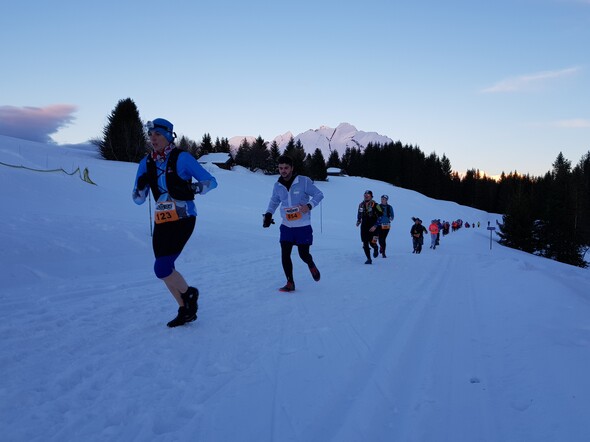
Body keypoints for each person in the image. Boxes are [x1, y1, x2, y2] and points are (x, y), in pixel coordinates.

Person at [132, 118, 218, 327]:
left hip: (184, 217)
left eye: (158, 134)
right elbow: (137, 199)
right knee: (164, 268)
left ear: (169, 135)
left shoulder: (182, 158)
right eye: (151, 135)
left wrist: (193, 189)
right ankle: (185, 309)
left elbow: (211, 182)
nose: (153, 138)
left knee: (162, 267)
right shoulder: (146, 163)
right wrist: (141, 187)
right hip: (161, 220)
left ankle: (189, 294)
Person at [263, 155, 324, 292]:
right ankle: (290, 282)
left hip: (302, 226)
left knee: (303, 254)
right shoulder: (277, 185)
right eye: (280, 168)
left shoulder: (304, 181)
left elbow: (319, 194)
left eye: (286, 168)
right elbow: (274, 201)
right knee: (285, 254)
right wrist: (268, 214)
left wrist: (309, 205)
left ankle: (311, 264)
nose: (283, 171)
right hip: (286, 226)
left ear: (292, 168)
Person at [356, 190, 383, 264]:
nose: (366, 196)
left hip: (374, 226)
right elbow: (359, 213)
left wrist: (375, 225)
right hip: (364, 226)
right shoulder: (361, 204)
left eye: (368, 195)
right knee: (365, 243)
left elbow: (381, 216)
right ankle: (369, 259)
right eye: (365, 194)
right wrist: (358, 221)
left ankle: (376, 247)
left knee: (372, 242)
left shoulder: (376, 205)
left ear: (371, 196)